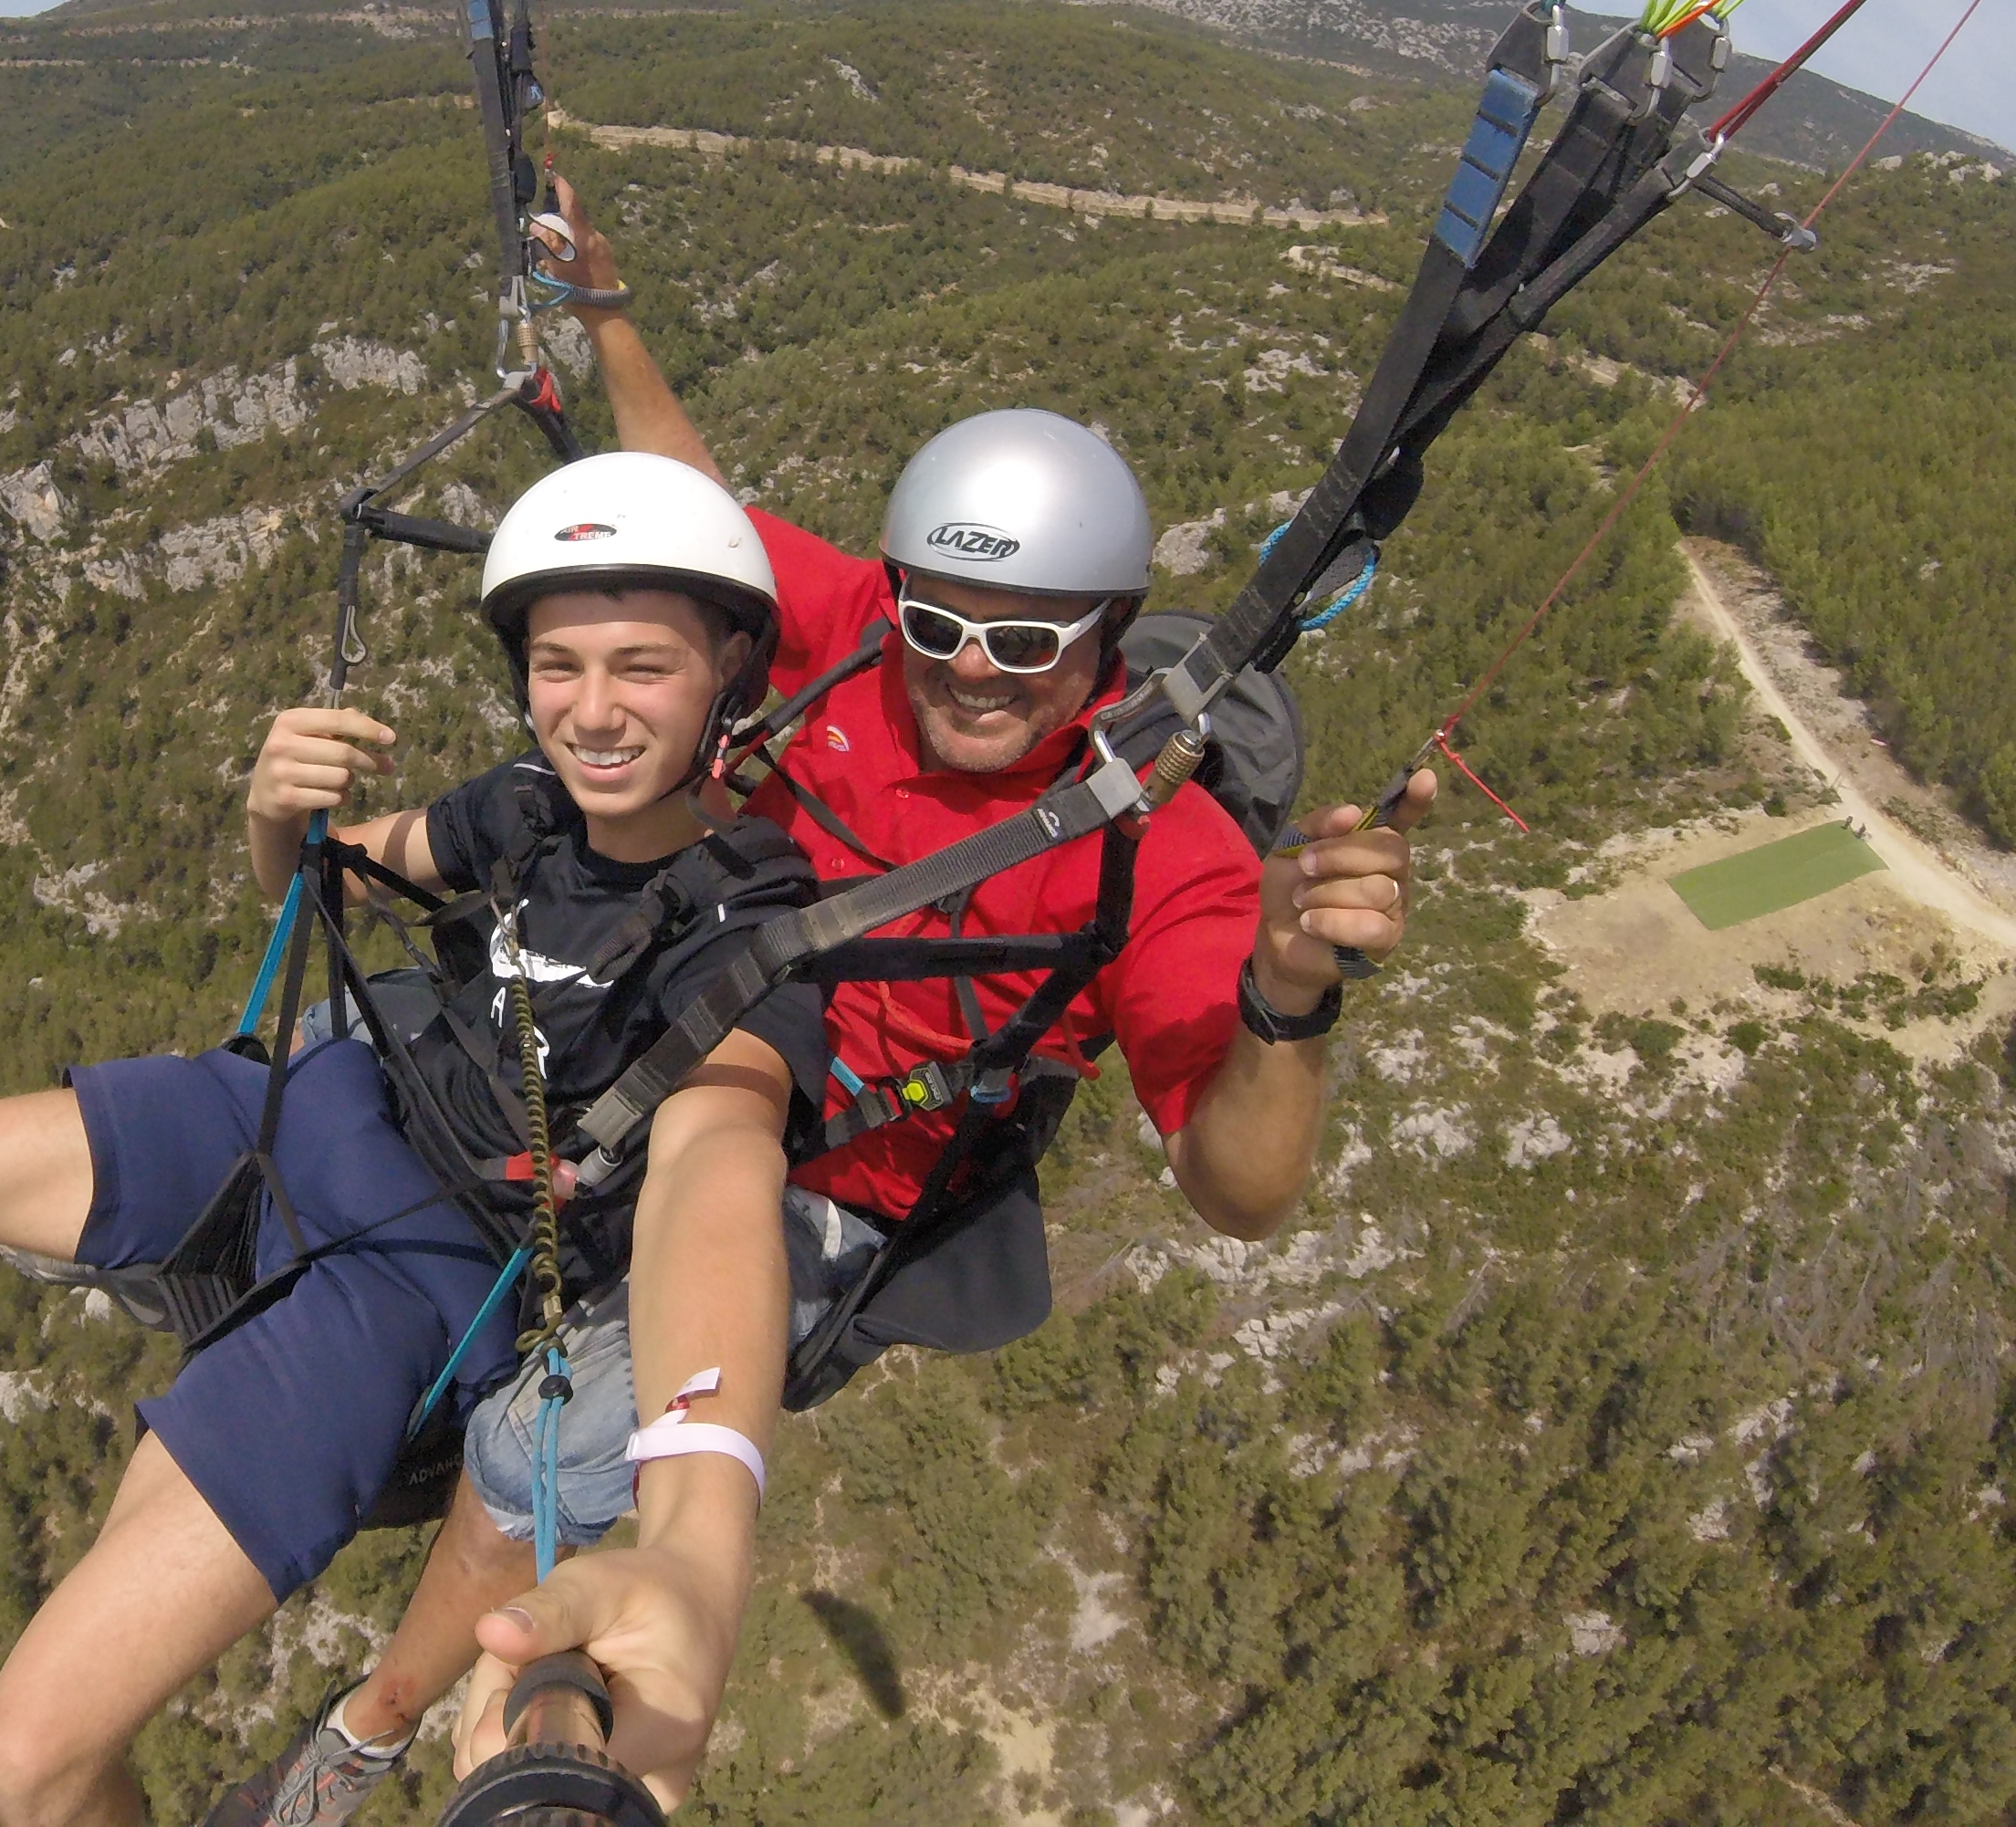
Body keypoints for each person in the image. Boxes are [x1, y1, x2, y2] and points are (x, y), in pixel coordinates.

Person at [221, 183, 1436, 1826]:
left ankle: (371, 1719)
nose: (974, 671)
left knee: (547, 1461)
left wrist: (1285, 1002)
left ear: (1109, 639)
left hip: (830, 1167)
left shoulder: (1172, 853)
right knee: (313, 1076)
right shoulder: (861, 636)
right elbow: (695, 509)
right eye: (941, 621)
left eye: (1031, 642)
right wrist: (610, 313)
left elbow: (1242, 1193)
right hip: (661, 1019)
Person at [0, 452, 827, 1827]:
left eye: (644, 668)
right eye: (561, 667)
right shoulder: (519, 808)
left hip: (423, 1274)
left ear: (732, 663)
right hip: (306, 1111)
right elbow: (305, 892)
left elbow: (716, 1161)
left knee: (35, 1759)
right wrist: (275, 809)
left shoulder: (747, 922)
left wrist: (700, 1526)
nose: (595, 712)